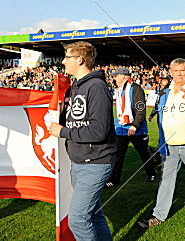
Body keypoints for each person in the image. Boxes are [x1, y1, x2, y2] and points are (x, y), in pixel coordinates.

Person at [49, 41, 116, 240]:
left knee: (77, 219)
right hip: (79, 162)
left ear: (79, 59)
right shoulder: (73, 88)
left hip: (96, 162)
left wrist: (63, 132)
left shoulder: (96, 87)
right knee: (94, 215)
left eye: (67, 57)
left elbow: (98, 131)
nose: (63, 62)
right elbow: (73, 122)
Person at [139, 58, 185, 228]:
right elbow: (160, 108)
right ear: (170, 72)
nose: (179, 74)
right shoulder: (165, 91)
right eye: (176, 71)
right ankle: (159, 215)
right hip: (169, 145)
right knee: (166, 178)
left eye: (182, 70)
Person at [106, 67, 156, 187]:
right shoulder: (119, 90)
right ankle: (114, 180)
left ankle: (151, 174)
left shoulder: (136, 89)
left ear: (123, 76)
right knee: (118, 155)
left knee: (143, 153)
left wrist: (134, 126)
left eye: (116, 76)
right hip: (121, 128)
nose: (114, 78)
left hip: (136, 129)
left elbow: (141, 110)